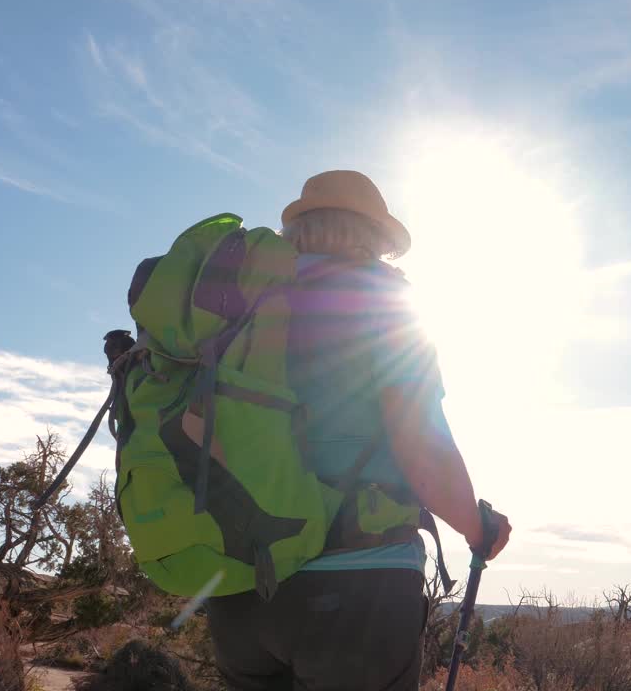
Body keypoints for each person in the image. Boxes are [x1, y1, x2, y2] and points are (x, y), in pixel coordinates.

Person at [205, 170, 511, 690]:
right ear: (373, 238)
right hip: (357, 590)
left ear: (295, 233)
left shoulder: (241, 310)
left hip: (240, 591)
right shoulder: (386, 306)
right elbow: (422, 449)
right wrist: (477, 529)